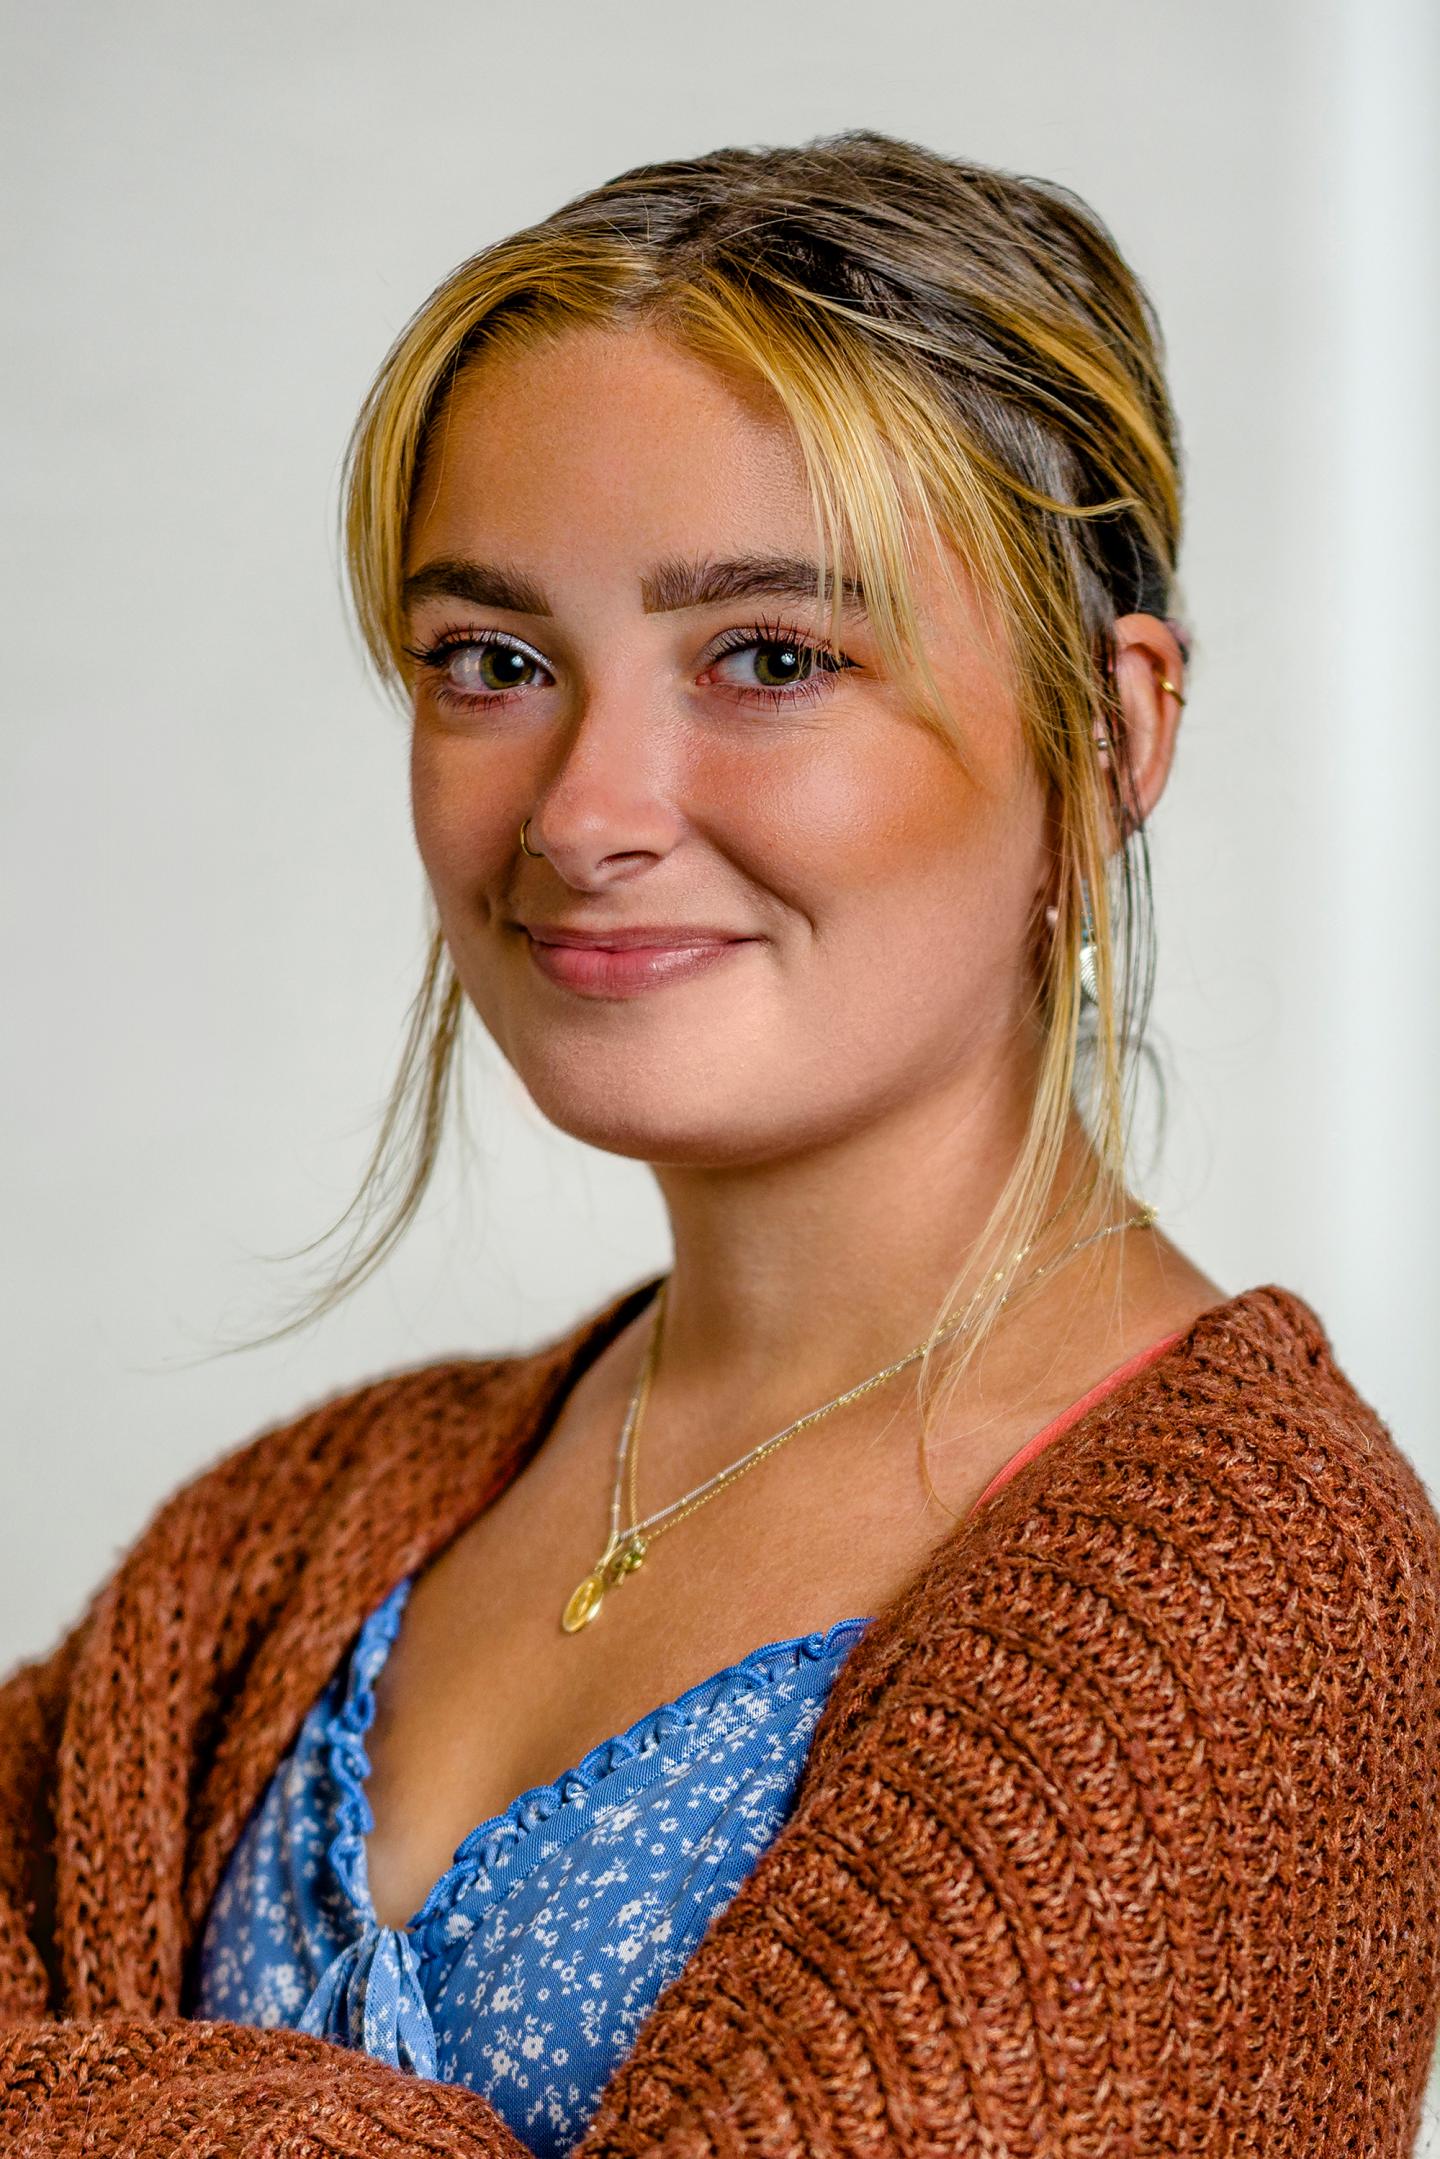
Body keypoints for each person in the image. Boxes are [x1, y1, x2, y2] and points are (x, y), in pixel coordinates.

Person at [3, 129, 1438, 2159]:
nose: (584, 810)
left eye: (769, 658)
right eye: (491, 663)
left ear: (1113, 731)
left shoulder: (1255, 1604)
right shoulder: (288, 1536)